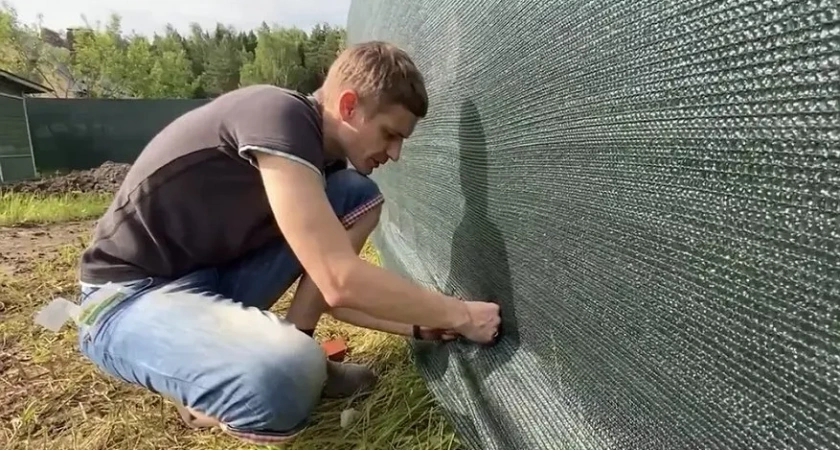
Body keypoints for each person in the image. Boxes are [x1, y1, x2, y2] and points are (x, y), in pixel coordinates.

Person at [75, 40, 501, 445]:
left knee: (355, 195)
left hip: (207, 281)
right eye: (390, 134)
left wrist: (415, 326)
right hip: (126, 300)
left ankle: (299, 352)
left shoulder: (327, 161)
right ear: (349, 106)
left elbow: (328, 294)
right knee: (283, 373)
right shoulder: (278, 115)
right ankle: (219, 383)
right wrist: (460, 314)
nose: (395, 153)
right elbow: (338, 279)